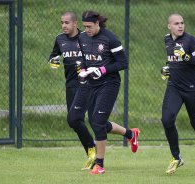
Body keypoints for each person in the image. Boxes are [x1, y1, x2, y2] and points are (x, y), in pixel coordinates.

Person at [76, 10, 140, 174]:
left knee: (97, 122)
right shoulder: (82, 37)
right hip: (91, 84)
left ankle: (100, 165)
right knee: (98, 121)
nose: (87, 30)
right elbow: (84, 59)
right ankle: (131, 134)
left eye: (90, 26)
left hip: (109, 84)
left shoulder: (110, 39)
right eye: (85, 26)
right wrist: (83, 71)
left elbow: (123, 63)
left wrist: (103, 70)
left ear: (97, 23)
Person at [160, 13, 195, 176]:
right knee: (167, 119)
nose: (180, 26)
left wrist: (186, 56)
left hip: (193, 89)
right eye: (176, 23)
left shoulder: (191, 40)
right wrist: (166, 69)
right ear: (169, 26)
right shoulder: (167, 40)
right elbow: (171, 60)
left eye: (182, 23)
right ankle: (176, 157)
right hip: (174, 87)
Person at [48, 11, 96, 170]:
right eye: (62, 22)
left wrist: (85, 67)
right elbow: (53, 56)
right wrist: (53, 60)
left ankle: (93, 152)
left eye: (67, 22)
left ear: (75, 24)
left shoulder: (86, 38)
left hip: (87, 84)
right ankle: (129, 134)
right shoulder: (59, 39)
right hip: (71, 85)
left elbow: (96, 58)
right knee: (75, 121)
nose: (63, 25)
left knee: (80, 119)